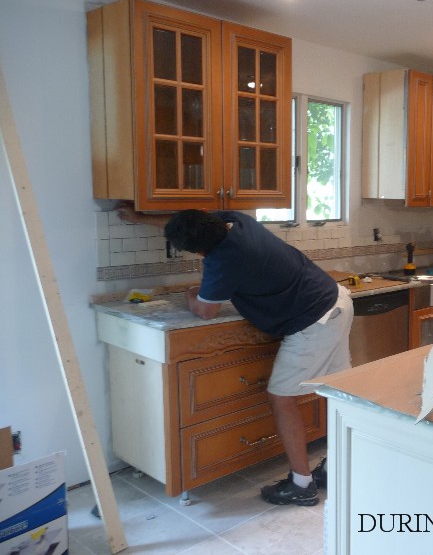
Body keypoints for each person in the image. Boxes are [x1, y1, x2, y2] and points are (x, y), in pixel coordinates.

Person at [117, 204, 353, 506]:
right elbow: (186, 222)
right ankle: (335, 467)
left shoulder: (224, 260)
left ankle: (302, 484)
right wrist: (140, 217)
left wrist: (192, 293)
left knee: (281, 397)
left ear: (199, 252)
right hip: (334, 300)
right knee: (336, 390)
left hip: (313, 321)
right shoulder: (236, 221)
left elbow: (205, 310)